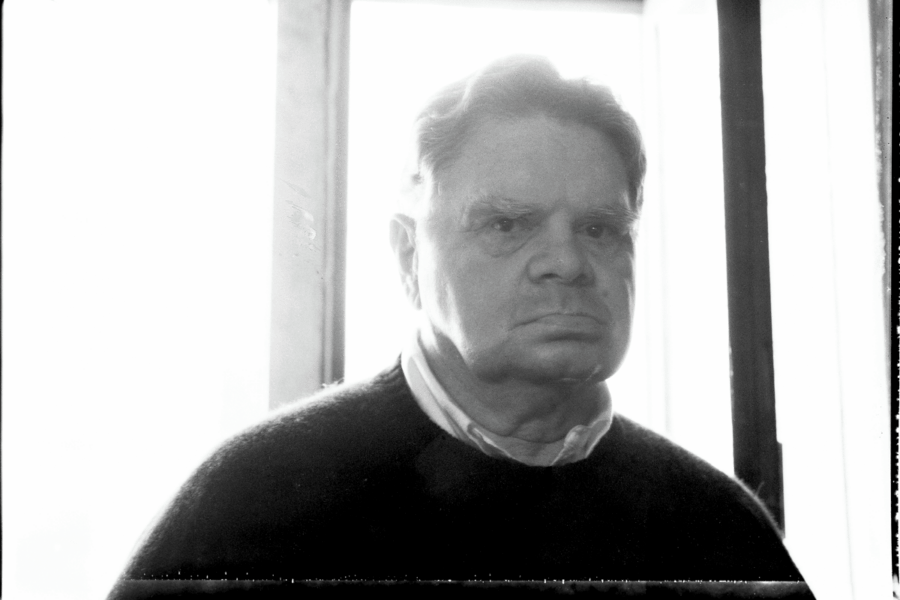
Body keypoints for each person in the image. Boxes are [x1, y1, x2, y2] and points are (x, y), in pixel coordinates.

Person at [110, 56, 805, 592]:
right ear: (409, 255)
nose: (566, 262)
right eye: (507, 223)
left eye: (600, 228)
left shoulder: (718, 528)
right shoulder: (254, 496)